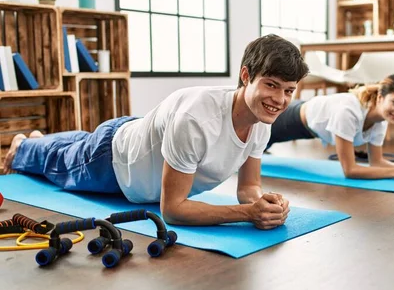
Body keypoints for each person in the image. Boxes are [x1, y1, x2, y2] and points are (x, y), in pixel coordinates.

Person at [3, 34, 309, 229]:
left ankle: (39, 140)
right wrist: (246, 214)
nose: (279, 100)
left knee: (76, 143)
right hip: (111, 162)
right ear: (246, 76)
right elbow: (173, 210)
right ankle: (24, 145)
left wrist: (266, 202)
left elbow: (247, 189)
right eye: (271, 85)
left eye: (288, 90)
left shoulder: (260, 123)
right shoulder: (197, 120)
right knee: (55, 163)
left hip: (139, 135)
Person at [266, 74, 394, 180]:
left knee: (258, 147)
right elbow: (350, 170)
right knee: (250, 146)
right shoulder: (349, 111)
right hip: (289, 118)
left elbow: (376, 162)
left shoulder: (380, 121)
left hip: (307, 124)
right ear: (380, 98)